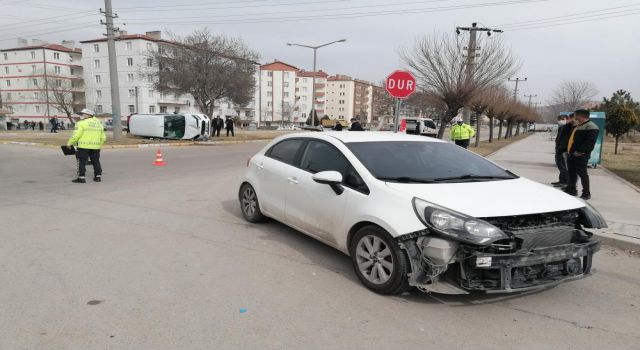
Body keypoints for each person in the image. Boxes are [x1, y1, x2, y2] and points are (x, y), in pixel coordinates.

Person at [564, 109, 599, 200]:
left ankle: (586, 193)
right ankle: (571, 189)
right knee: (572, 172)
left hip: (581, 155)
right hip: (572, 154)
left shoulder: (591, 126)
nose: (574, 117)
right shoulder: (578, 125)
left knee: (582, 174)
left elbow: (590, 142)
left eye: (575, 115)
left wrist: (580, 151)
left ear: (580, 116)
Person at [67, 109, 106, 183]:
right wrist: (99, 145)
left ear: (88, 115)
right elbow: (103, 138)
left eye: (83, 114)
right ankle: (98, 177)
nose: (81, 116)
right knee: (96, 161)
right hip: (95, 147)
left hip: (83, 146)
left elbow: (76, 135)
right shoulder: (99, 124)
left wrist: (69, 143)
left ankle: (81, 178)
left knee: (82, 162)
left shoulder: (81, 123)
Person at [552, 114, 574, 187]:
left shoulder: (569, 127)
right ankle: (561, 180)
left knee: (563, 166)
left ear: (567, 119)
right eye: (559, 119)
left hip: (563, 150)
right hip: (559, 148)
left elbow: (566, 140)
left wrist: (562, 148)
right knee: (560, 165)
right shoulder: (562, 127)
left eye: (562, 119)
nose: (560, 121)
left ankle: (565, 181)